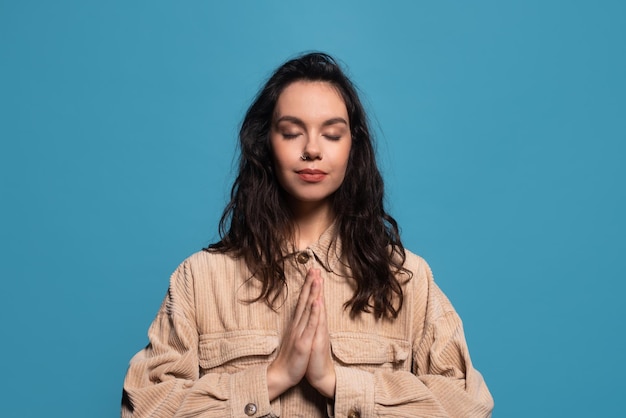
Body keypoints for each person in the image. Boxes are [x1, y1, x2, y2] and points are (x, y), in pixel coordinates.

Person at [121, 52, 494, 418]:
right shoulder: (199, 280)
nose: (312, 149)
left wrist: (338, 384)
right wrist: (271, 379)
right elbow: (145, 410)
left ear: (354, 147)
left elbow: (468, 408)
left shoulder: (407, 279)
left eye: (331, 134)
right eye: (291, 132)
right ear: (266, 143)